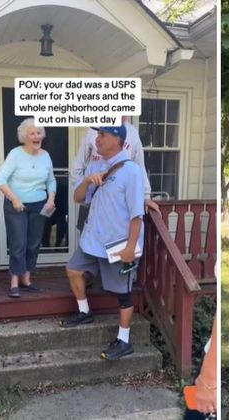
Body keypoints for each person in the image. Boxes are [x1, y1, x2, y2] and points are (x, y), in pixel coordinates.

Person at [60, 125, 145, 361]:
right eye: (97, 135)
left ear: (117, 139)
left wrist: (130, 247)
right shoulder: (96, 167)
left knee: (123, 294)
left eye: (101, 135)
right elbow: (77, 199)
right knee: (73, 269)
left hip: (118, 243)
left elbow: (137, 214)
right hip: (93, 239)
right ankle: (84, 311)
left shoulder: (132, 172)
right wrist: (87, 181)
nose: (96, 139)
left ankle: (124, 340)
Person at [0, 117, 56, 298]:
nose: (37, 136)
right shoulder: (15, 154)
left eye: (39, 133)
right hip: (17, 205)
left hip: (39, 204)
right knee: (18, 244)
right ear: (25, 136)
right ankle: (14, 281)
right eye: (32, 133)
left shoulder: (45, 156)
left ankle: (26, 279)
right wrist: (14, 199)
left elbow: (51, 180)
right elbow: (0, 179)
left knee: (33, 244)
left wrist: (51, 199)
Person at [72, 116, 160, 226]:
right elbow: (78, 165)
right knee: (88, 237)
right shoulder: (93, 130)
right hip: (92, 198)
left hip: (117, 202)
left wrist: (146, 196)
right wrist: (81, 188)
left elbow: (140, 166)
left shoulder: (132, 133)